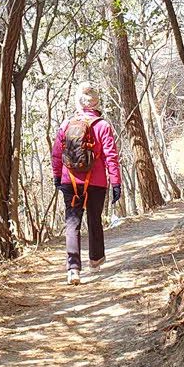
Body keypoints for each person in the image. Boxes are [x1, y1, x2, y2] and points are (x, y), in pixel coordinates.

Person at [51, 82, 122, 285]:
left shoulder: (66, 124)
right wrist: (115, 182)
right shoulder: (103, 126)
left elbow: (57, 153)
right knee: (94, 219)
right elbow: (110, 156)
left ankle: (73, 269)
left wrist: (57, 176)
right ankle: (95, 261)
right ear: (96, 102)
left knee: (72, 222)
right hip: (96, 182)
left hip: (70, 181)